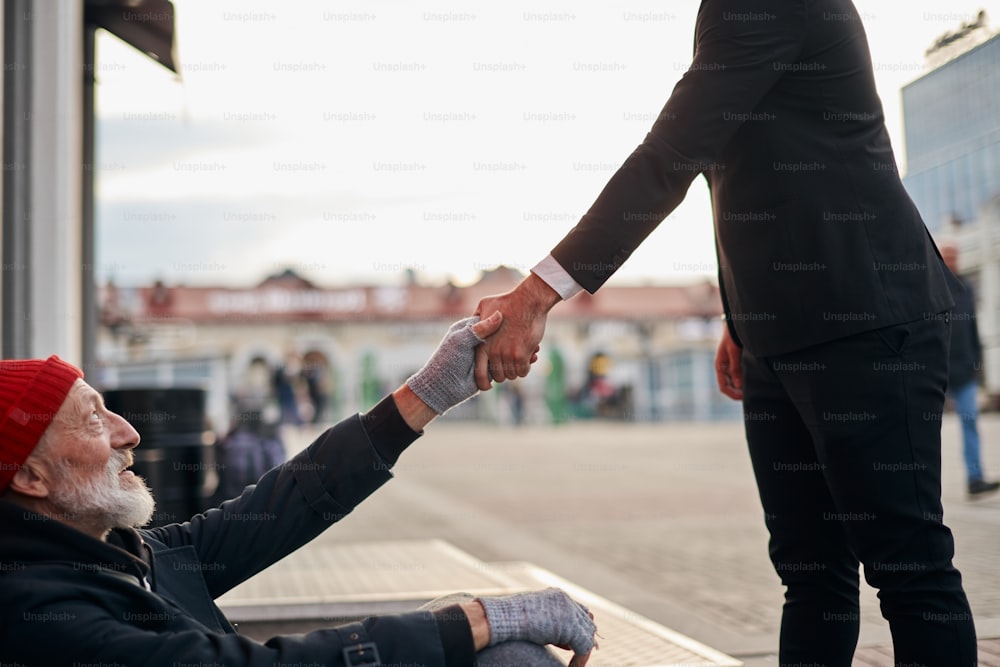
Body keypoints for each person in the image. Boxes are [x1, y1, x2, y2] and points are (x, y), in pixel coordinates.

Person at [472, 1, 977, 665]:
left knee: (909, 570)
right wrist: (740, 318)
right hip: (777, 335)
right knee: (811, 575)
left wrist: (538, 293)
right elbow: (727, 167)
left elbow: (671, 156)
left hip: (866, 319)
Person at [0, 314, 597, 667]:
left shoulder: (119, 556)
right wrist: (469, 623)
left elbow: (279, 506)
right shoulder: (39, 614)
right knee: (496, 647)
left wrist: (429, 393)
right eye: (94, 421)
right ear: (30, 476)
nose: (129, 434)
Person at [939, 242, 1000, 497]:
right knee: (925, 429)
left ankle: (975, 479)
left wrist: (977, 363)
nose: (952, 260)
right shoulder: (931, 284)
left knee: (970, 423)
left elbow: (973, 328)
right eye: (947, 256)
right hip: (937, 372)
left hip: (965, 371)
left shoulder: (967, 289)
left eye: (955, 256)